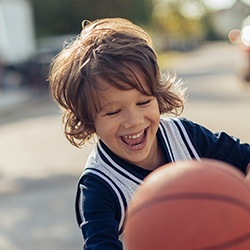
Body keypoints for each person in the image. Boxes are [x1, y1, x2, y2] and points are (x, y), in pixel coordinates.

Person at [48, 18, 250, 249]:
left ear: (158, 97)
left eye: (143, 102)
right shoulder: (99, 187)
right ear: (89, 120)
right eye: (113, 112)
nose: (133, 121)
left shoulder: (185, 136)